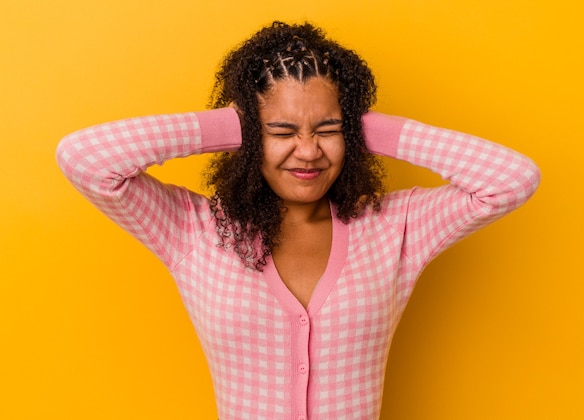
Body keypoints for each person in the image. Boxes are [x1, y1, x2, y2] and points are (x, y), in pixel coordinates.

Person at [56, 21, 540, 420]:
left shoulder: (397, 226)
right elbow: (84, 160)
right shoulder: (193, 229)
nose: (307, 151)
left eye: (328, 130)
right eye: (281, 130)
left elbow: (512, 180)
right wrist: (234, 126)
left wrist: (365, 127)